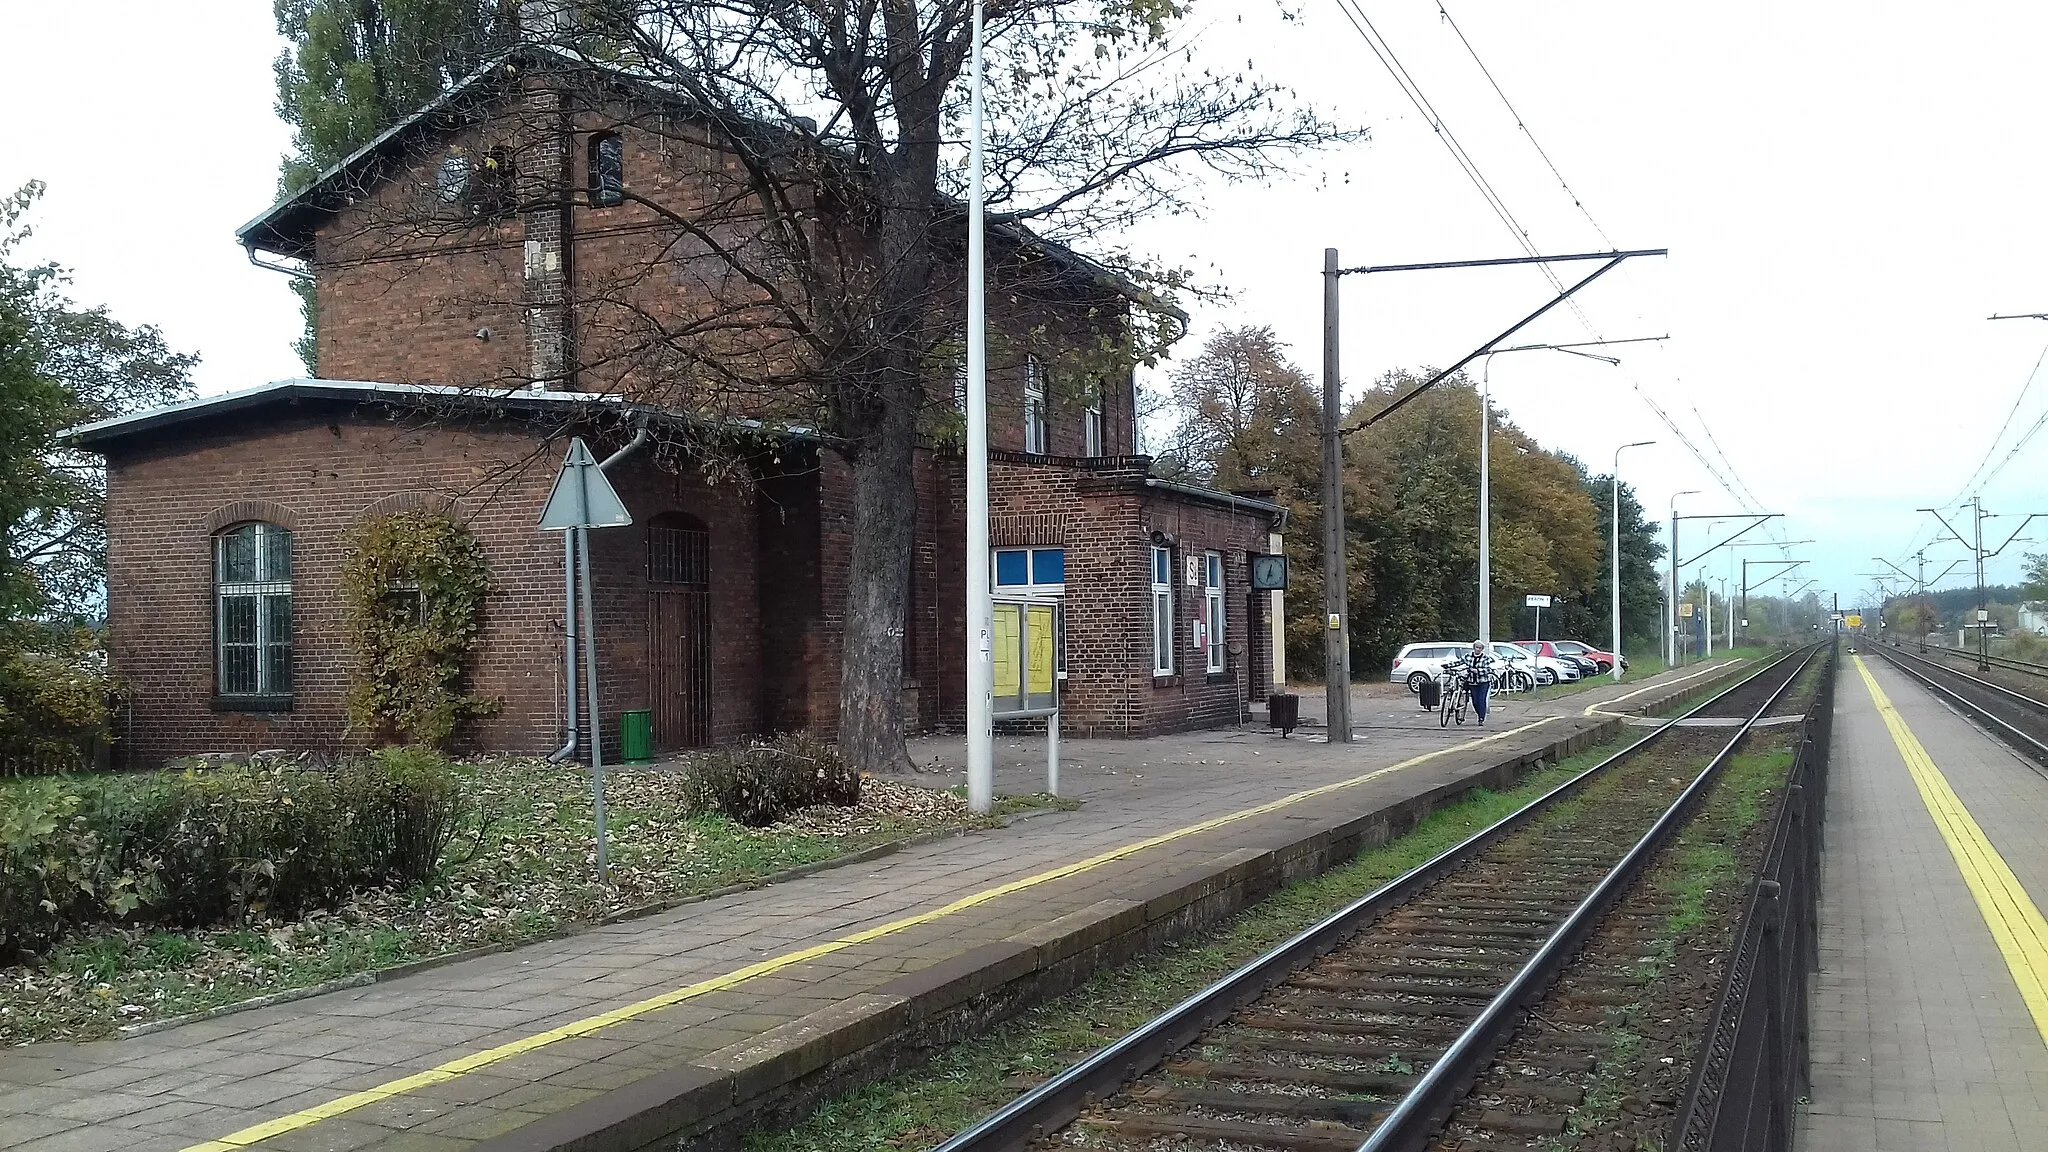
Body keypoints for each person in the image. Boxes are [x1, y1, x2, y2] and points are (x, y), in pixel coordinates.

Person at [1463, 639, 1494, 724]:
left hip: (1483, 682)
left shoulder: (1486, 658)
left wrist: (1478, 671)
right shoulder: (1468, 656)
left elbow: (1488, 669)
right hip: (1472, 682)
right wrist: (1448, 666)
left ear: (1482, 649)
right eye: (1477, 647)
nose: (1478, 649)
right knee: (1475, 701)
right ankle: (1479, 713)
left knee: (1481, 699)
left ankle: (1481, 717)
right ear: (1474, 648)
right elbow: (1460, 662)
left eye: (1480, 648)